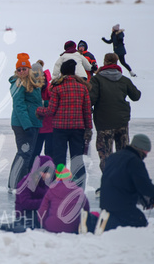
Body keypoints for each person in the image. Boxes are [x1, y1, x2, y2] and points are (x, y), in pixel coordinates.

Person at [36, 59, 92, 188]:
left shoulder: (58, 88)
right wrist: (88, 128)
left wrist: (38, 110)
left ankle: (59, 184)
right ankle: (79, 186)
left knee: (59, 158)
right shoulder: (83, 88)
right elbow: (87, 111)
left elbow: (51, 110)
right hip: (78, 129)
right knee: (77, 158)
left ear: (62, 72)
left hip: (60, 129)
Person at [97, 134, 154, 234]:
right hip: (121, 206)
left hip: (105, 204)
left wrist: (145, 199)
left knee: (115, 223)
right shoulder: (134, 161)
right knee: (140, 222)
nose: (146, 154)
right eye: (146, 151)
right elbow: (145, 186)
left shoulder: (114, 157)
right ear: (141, 148)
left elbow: (129, 183)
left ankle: (105, 225)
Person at [90, 53, 141, 174]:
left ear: (105, 62)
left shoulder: (97, 80)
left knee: (105, 155)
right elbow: (136, 96)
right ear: (117, 62)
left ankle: (109, 182)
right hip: (121, 122)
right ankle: (122, 183)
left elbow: (91, 100)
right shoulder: (124, 80)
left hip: (104, 122)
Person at [7, 53, 43, 192]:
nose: (21, 72)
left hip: (32, 122)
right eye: (19, 70)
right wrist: (27, 125)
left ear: (29, 69)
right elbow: (19, 106)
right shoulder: (18, 83)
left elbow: (33, 103)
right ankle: (16, 184)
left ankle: (18, 183)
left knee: (26, 154)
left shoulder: (31, 82)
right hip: (23, 124)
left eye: (24, 69)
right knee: (24, 154)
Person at [38, 164, 90, 233]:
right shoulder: (79, 191)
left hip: (52, 225)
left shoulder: (51, 190)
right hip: (73, 227)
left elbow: (42, 210)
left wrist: (44, 224)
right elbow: (86, 208)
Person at [32, 60, 53, 158]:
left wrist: (43, 103)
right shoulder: (31, 86)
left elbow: (54, 103)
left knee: (49, 153)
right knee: (35, 152)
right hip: (38, 126)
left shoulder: (49, 87)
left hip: (48, 125)